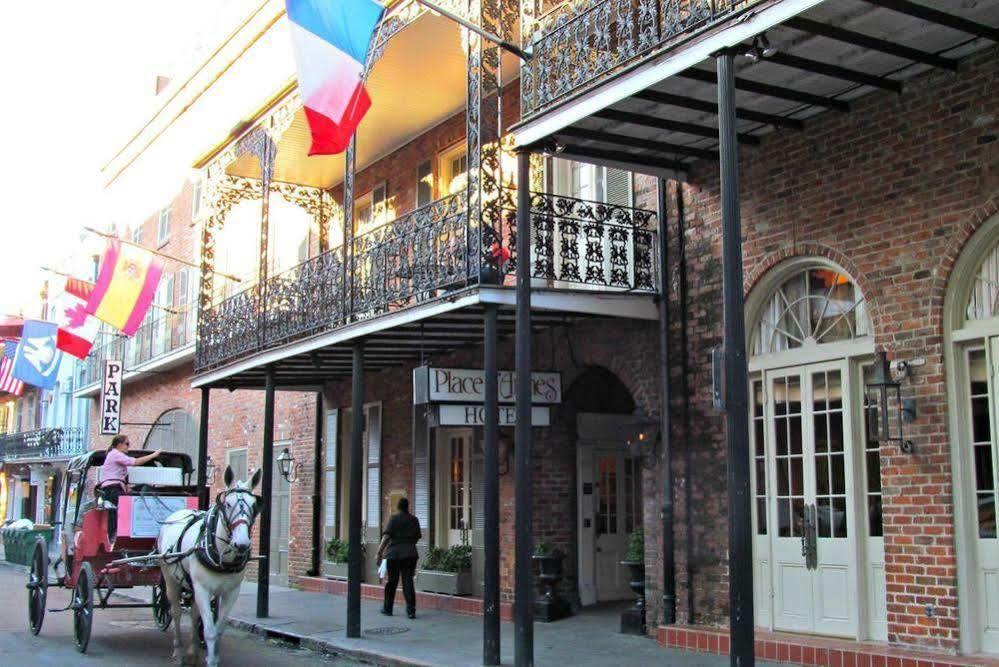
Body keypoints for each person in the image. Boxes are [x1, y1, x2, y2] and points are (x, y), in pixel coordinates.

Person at [376, 497, 422, 619]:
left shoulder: (394, 518)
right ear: (408, 507)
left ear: (398, 507)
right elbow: (417, 537)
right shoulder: (414, 520)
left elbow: (386, 537)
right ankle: (411, 611)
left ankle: (388, 608)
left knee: (392, 582)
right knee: (408, 582)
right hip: (410, 554)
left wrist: (379, 552)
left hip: (394, 554)